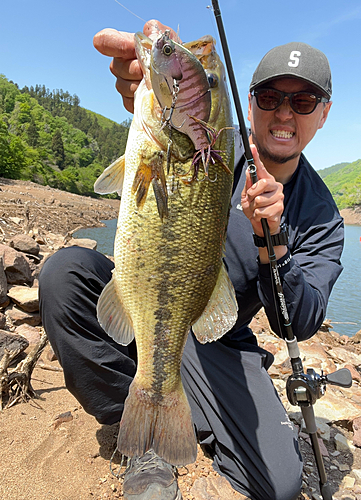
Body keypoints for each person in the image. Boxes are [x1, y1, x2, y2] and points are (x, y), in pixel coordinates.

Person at [39, 20, 344, 500]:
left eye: (302, 101)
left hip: (218, 334)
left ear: (323, 114)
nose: (285, 112)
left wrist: (275, 245)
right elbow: (170, 126)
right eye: (270, 98)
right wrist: (152, 85)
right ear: (249, 104)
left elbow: (298, 324)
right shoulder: (211, 142)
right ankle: (140, 432)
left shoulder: (324, 215)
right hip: (145, 298)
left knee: (281, 485)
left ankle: (183, 397)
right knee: (64, 274)